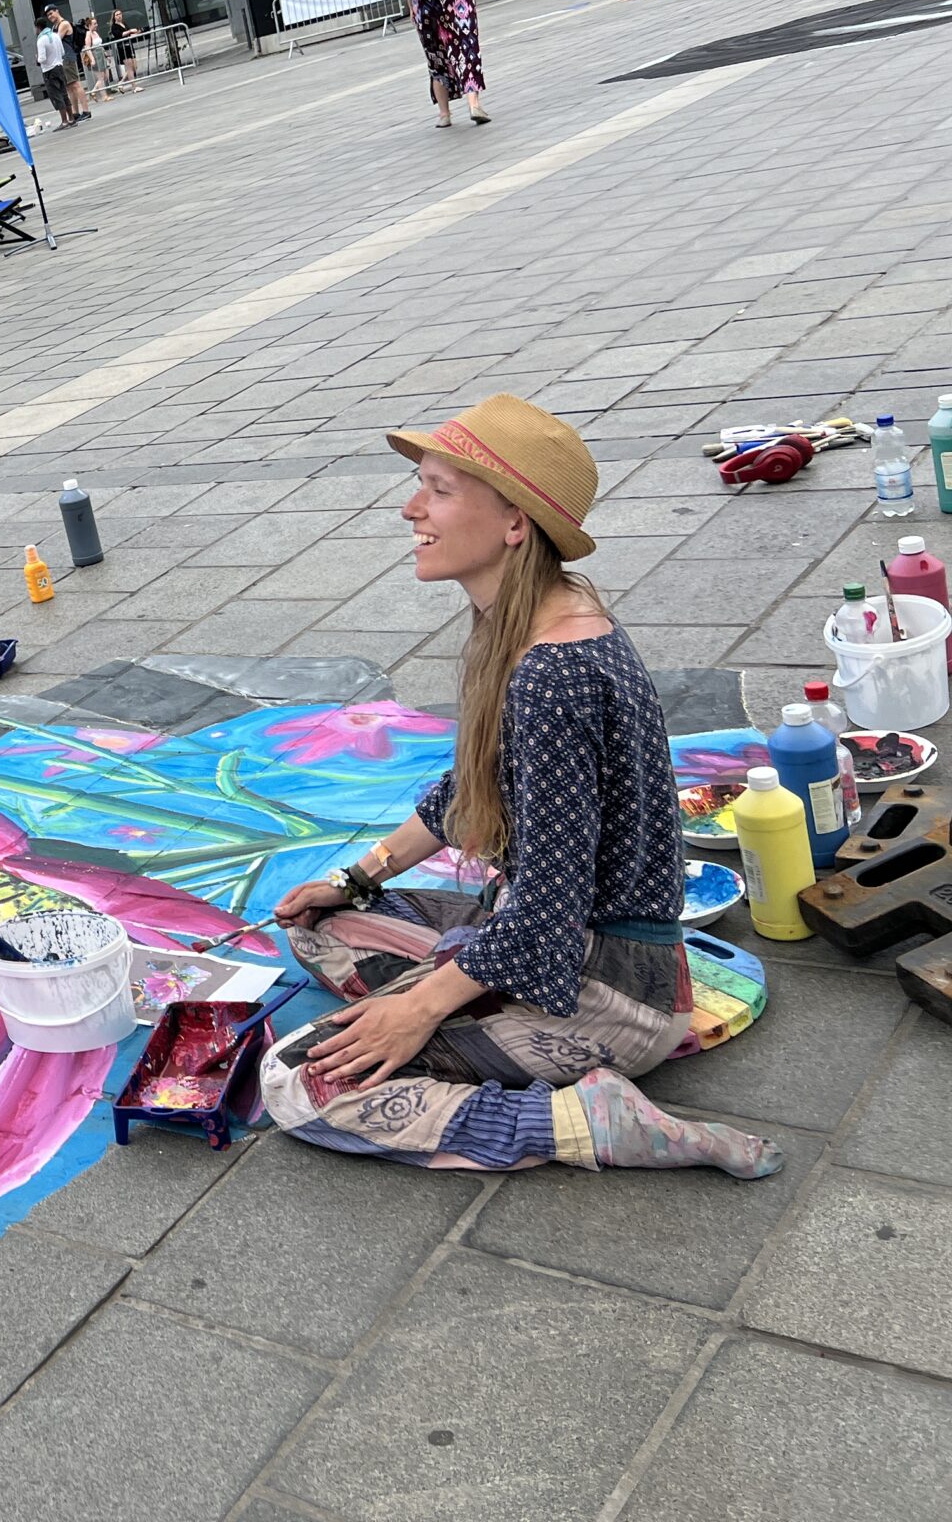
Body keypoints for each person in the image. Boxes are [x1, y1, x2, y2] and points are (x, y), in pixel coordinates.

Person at [260, 394, 783, 1184]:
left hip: (608, 992)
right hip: (560, 940)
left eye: (438, 489)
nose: (411, 508)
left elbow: (545, 921)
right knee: (316, 928)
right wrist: (354, 878)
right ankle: (457, 991)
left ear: (515, 524)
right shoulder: (534, 620)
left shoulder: (552, 677)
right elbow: (469, 795)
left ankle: (584, 1119)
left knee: (298, 1084)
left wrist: (420, 1006)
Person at [35, 9, 78, 125]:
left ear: (38, 27)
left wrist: (37, 59)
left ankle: (64, 121)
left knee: (56, 95)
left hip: (49, 70)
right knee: (64, 93)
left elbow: (42, 58)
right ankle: (71, 118)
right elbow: (63, 52)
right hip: (59, 67)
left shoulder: (41, 40)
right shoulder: (55, 36)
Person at [105, 8, 143, 93]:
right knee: (129, 67)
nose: (119, 16)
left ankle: (121, 82)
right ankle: (134, 87)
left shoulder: (124, 23)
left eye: (120, 14)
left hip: (129, 45)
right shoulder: (114, 26)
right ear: (114, 17)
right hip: (122, 47)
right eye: (117, 15)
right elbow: (120, 34)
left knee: (134, 66)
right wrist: (130, 31)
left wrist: (136, 33)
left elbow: (128, 34)